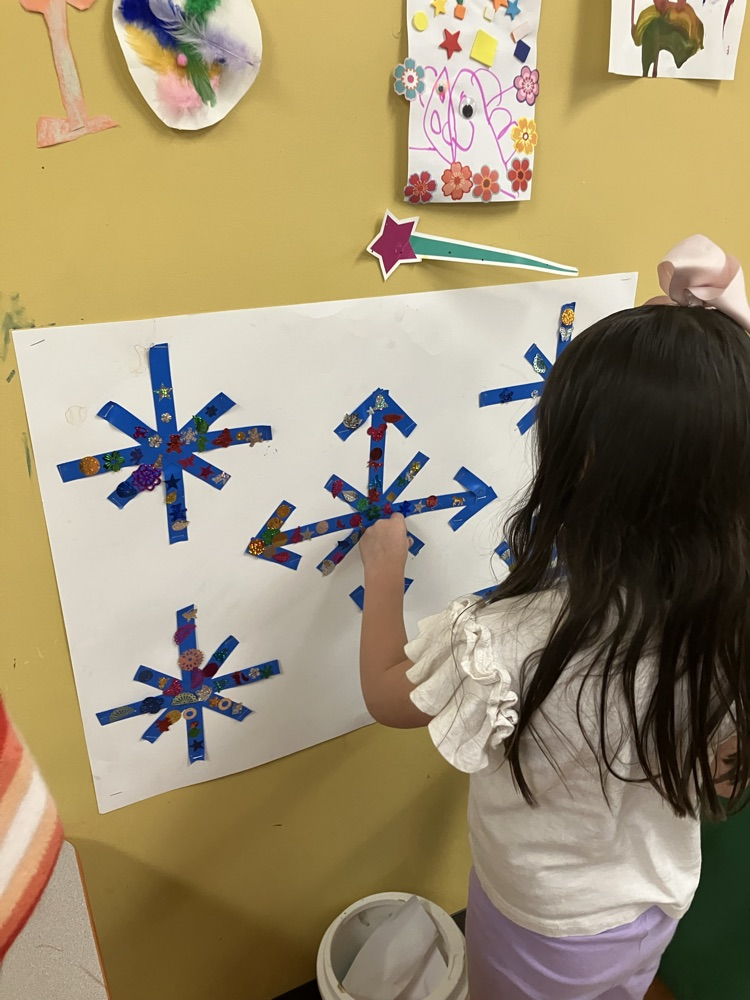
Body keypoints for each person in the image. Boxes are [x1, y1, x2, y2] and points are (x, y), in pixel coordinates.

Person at [358, 235, 749, 1000]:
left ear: (583, 471)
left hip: (540, 924)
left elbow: (385, 694)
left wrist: (384, 576)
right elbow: (717, 766)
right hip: (650, 908)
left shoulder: (516, 637)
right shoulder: (729, 625)